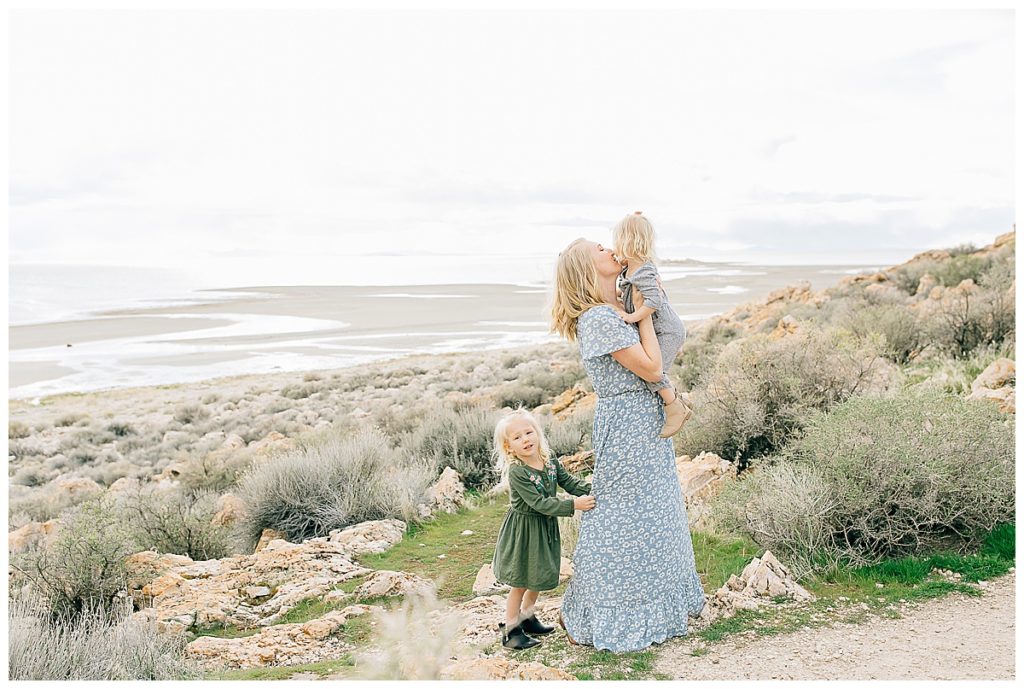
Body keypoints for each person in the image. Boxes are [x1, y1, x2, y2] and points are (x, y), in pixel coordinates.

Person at [552, 237, 706, 653]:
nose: (609, 248)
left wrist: (641, 302)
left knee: (655, 513)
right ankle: (599, 611)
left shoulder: (616, 304)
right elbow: (653, 366)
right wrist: (643, 316)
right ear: (587, 268)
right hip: (626, 425)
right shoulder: (600, 318)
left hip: (643, 417)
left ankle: (658, 606)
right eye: (599, 248)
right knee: (617, 515)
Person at [490, 408, 595, 650]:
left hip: (543, 529)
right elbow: (539, 503)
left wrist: (590, 489)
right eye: (517, 437)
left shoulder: (548, 461)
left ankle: (527, 618)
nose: (525, 439)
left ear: (538, 434)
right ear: (509, 447)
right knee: (521, 581)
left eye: (529, 432)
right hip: (524, 531)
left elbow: (567, 481)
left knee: (537, 576)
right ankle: (511, 630)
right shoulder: (518, 472)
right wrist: (573, 505)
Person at [612, 211, 692, 438]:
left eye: (617, 241)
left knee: (653, 373)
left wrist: (633, 317)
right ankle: (679, 400)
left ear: (627, 242)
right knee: (653, 371)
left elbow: (654, 301)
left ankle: (675, 409)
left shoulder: (644, 270)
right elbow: (626, 293)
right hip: (657, 330)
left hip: (667, 330)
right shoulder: (629, 271)